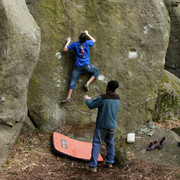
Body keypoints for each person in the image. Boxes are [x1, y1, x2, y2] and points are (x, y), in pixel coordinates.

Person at [84, 80, 120, 172]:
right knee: (110, 143)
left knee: (96, 144)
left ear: (107, 87)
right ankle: (110, 162)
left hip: (102, 126)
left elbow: (91, 105)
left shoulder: (102, 98)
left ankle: (93, 166)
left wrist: (87, 99)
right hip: (112, 126)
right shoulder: (117, 98)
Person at [62, 30, 99, 103]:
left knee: (73, 81)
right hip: (86, 65)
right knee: (96, 72)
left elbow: (65, 49)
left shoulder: (75, 44)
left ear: (79, 39)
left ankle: (68, 97)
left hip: (78, 66)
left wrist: (68, 41)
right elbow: (94, 40)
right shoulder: (88, 43)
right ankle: (87, 83)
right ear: (85, 40)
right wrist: (87, 34)